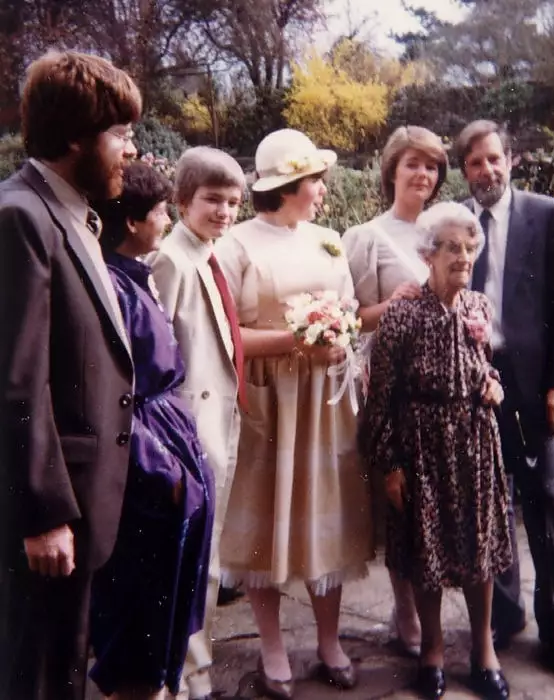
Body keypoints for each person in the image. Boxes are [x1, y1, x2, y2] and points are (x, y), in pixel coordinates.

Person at [0, 51, 140, 700]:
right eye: (121, 134)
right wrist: (42, 514)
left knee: (64, 675)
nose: (131, 151)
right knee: (33, 679)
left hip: (83, 508)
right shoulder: (20, 217)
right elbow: (16, 383)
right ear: (77, 136)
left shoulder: (75, 212)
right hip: (52, 517)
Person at [216, 128, 373, 700]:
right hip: (270, 403)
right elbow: (224, 335)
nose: (323, 190)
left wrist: (341, 341)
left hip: (326, 402)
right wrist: (294, 342)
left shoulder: (328, 239)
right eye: (315, 181)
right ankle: (273, 648)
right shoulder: (236, 246)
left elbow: (350, 310)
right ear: (287, 186)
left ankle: (329, 641)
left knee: (324, 515)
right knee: (269, 519)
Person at [361, 201, 512, 700]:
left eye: (470, 247)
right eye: (452, 247)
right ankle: (432, 648)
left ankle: (484, 650)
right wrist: (389, 467)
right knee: (425, 551)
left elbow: (483, 365)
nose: (464, 257)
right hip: (422, 449)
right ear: (428, 254)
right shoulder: (403, 316)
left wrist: (493, 385)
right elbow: (380, 399)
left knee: (480, 548)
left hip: (474, 443)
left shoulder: (478, 308)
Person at [458, 119, 554, 674]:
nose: (486, 171)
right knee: (491, 505)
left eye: (493, 159)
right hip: (477, 385)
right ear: (463, 171)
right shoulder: (459, 222)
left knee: (545, 501)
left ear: (511, 159)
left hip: (534, 386)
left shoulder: (548, 215)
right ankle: (504, 617)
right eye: (474, 163)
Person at [87, 162, 215, 700]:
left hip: (167, 436)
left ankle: (161, 682)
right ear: (136, 222)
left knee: (163, 609)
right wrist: (168, 472)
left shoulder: (136, 275)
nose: (167, 220)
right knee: (139, 610)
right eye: (162, 211)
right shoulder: (114, 286)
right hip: (147, 458)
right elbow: (118, 392)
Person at [343, 126, 448, 656]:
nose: (422, 176)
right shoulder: (368, 237)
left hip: (443, 390)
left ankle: (432, 608)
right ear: (391, 171)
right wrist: (397, 304)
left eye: (431, 167)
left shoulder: (446, 230)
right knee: (400, 503)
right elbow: (353, 319)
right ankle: (404, 608)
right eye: (413, 164)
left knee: (436, 501)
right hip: (395, 389)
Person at [149, 147, 246, 700]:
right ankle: (182, 674)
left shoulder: (209, 254)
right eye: (212, 200)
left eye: (233, 202)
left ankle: (197, 668)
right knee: (191, 563)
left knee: (208, 562)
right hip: (191, 430)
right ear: (182, 200)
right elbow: (166, 355)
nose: (225, 211)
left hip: (220, 421)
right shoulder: (172, 260)